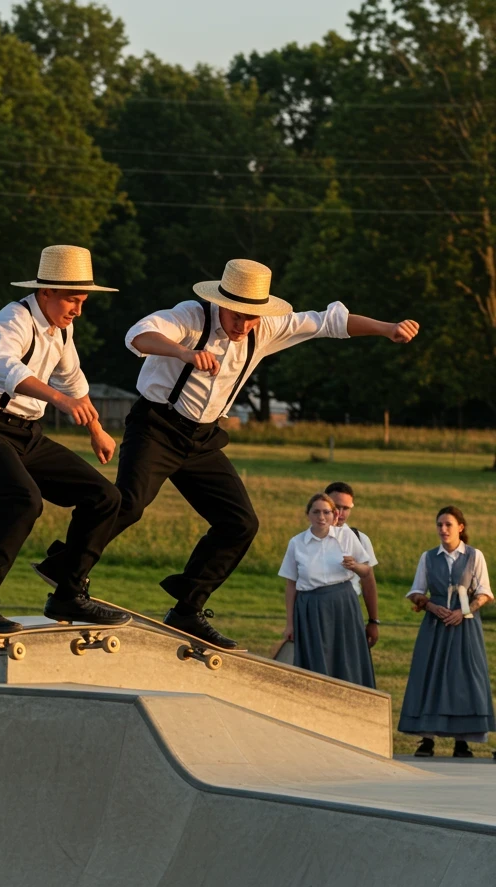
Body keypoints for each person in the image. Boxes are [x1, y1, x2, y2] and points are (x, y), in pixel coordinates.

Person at [39, 259, 418, 649]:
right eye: (237, 316)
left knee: (240, 523)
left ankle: (188, 608)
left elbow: (330, 322)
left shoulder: (266, 327)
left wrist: (386, 329)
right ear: (221, 301)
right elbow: (138, 335)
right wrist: (183, 354)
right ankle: (67, 579)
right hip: (156, 426)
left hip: (203, 440)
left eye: (252, 318)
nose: (243, 326)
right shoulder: (190, 317)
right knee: (130, 504)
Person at [0, 243, 128, 635]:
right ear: (45, 291)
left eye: (82, 301)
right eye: (72, 300)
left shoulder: (61, 330)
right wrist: (60, 400)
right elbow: (3, 367)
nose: (78, 309)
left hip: (26, 434)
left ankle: (68, 592)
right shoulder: (11, 319)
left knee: (104, 497)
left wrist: (96, 428)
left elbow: (73, 379)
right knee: (22, 500)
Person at [399, 505, 494, 758]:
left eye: (448, 524)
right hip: (435, 625)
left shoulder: (475, 556)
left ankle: (462, 741)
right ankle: (426, 739)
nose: (443, 529)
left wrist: (463, 612)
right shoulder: (428, 557)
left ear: (460, 528)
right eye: (439, 524)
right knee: (430, 674)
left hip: (465, 625)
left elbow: (485, 592)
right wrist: (431, 605)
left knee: (463, 678)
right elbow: (416, 592)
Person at [278, 491, 376, 687]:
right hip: (310, 607)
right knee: (315, 658)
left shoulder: (346, 536)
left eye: (326, 512)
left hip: (342, 604)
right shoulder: (297, 543)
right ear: (308, 515)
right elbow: (291, 586)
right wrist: (290, 624)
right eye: (316, 512)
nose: (321, 517)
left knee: (345, 656)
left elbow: (366, 570)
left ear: (335, 515)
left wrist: (355, 566)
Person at [325, 481, 380, 648]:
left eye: (346, 508)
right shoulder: (307, 539)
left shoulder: (359, 539)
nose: (340, 513)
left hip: (349, 609)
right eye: (336, 507)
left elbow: (368, 582)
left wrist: (373, 621)